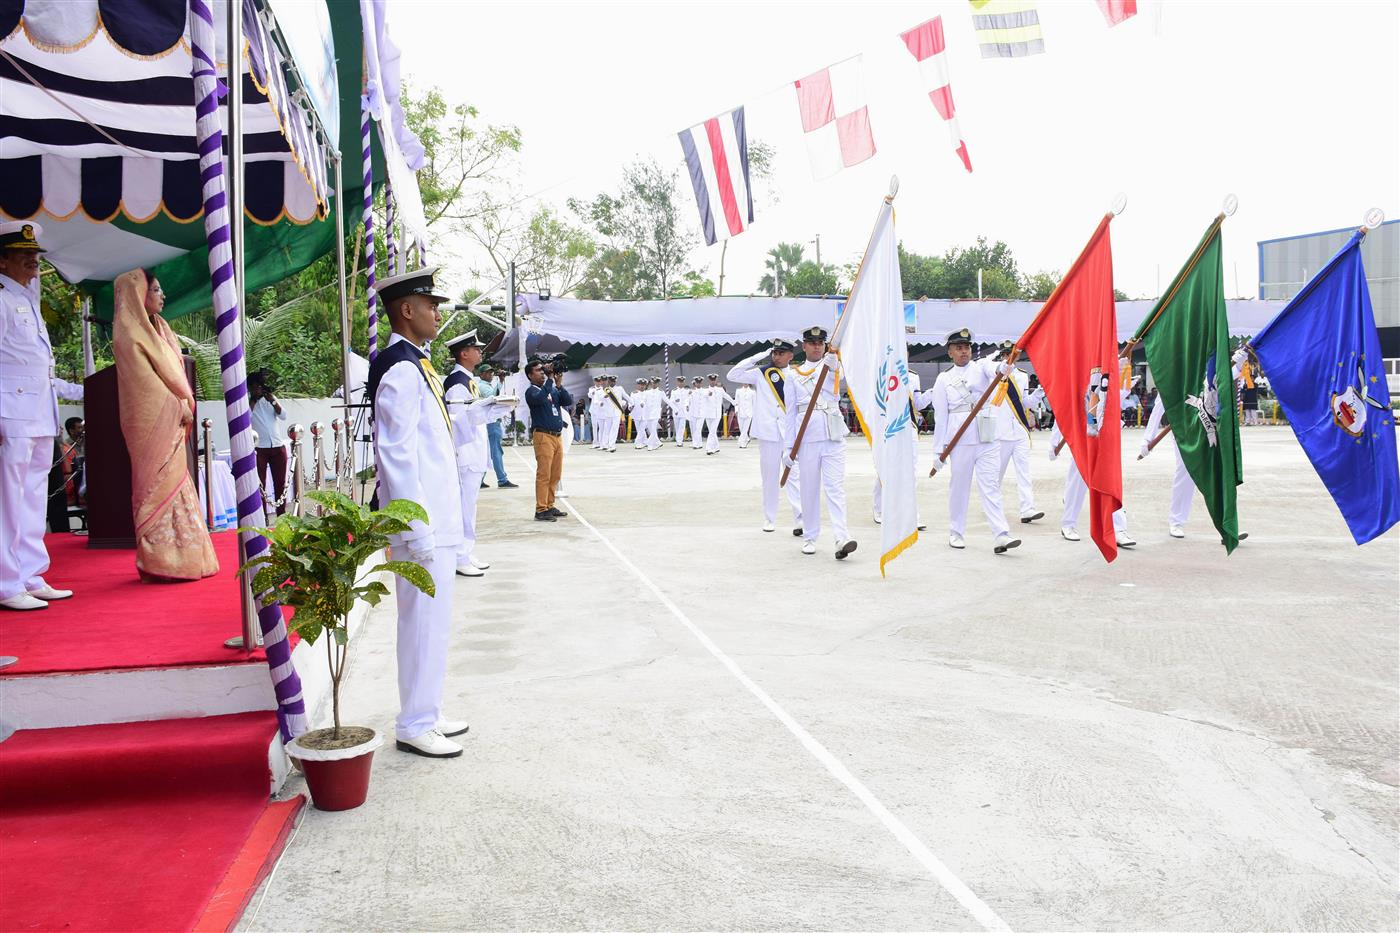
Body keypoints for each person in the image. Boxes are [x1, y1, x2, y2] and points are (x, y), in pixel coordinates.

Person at [365, 267, 468, 759]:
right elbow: (397, 453)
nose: (437, 312)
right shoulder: (401, 367)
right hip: (422, 524)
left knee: (435, 622)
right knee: (421, 622)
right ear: (406, 310)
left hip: (438, 519)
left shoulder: (417, 364)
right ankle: (413, 722)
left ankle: (427, 708)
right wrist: (415, 528)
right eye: (430, 305)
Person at [112, 269, 219, 582]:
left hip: (174, 417)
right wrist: (179, 405)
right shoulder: (129, 332)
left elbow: (174, 373)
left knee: (178, 482)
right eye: (156, 290)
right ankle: (159, 562)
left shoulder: (161, 327)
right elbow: (142, 386)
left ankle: (187, 558)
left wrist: (183, 403)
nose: (163, 296)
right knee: (155, 487)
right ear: (138, 294)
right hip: (152, 421)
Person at [0, 222, 83, 611]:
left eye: (35, 257)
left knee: (32, 498)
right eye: (24, 257)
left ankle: (30, 574)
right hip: (10, 415)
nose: (34, 263)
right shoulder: (1, 300)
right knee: (8, 502)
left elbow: (39, 369)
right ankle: (6, 582)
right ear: (2, 262)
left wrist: (81, 393)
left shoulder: (27, 300)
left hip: (37, 413)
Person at [929, 328, 1020, 554]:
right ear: (949, 352)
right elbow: (941, 417)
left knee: (990, 486)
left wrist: (1003, 368)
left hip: (987, 436)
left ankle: (1001, 534)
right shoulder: (944, 379)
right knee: (959, 488)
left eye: (967, 347)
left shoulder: (981, 368)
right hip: (960, 441)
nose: (964, 352)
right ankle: (956, 531)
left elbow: (995, 369)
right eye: (958, 348)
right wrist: (938, 451)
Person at [443, 331, 517, 578]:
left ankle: (465, 550)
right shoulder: (457, 382)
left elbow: (473, 416)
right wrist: (489, 407)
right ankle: (459, 556)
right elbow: (458, 421)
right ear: (463, 354)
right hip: (464, 453)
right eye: (475, 349)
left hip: (473, 451)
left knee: (470, 506)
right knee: (464, 507)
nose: (480, 352)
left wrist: (495, 407)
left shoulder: (468, 380)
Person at [785, 326, 856, 559]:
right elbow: (790, 413)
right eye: (812, 342)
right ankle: (810, 536)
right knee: (809, 489)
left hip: (832, 436)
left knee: (836, 488)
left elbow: (841, 375)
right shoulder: (793, 375)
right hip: (806, 439)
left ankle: (841, 537)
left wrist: (833, 357)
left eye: (820, 342)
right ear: (804, 346)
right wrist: (788, 446)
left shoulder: (833, 365)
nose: (817, 346)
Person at [728, 339, 803, 534]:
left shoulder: (796, 374)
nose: (776, 356)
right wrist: (759, 356)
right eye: (774, 353)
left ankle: (800, 518)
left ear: (790, 355)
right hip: (768, 433)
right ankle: (769, 518)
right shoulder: (761, 374)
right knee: (769, 478)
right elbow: (733, 374)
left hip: (789, 434)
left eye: (781, 353)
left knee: (794, 477)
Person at [1049, 420, 1134, 546]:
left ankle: (1119, 529)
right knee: (1077, 482)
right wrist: (1054, 443)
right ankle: (1068, 524)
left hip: (1104, 432)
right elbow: (1064, 410)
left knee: (1109, 482)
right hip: (1082, 435)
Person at [987, 343, 1043, 525]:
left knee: (1024, 472)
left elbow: (1024, 403)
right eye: (1004, 354)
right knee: (997, 474)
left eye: (1011, 354)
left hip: (1019, 430)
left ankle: (1027, 508)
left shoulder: (1022, 376)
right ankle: (991, 504)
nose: (1007, 357)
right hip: (999, 432)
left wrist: (1037, 395)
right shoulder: (992, 372)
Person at [525, 357, 572, 520]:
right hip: (543, 436)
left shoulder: (551, 388)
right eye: (538, 370)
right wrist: (550, 381)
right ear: (530, 375)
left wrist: (559, 384)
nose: (543, 373)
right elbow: (539, 398)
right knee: (544, 473)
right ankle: (540, 509)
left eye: (542, 369)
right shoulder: (532, 391)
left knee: (555, 474)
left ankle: (550, 505)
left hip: (557, 436)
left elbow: (567, 401)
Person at [248, 369, 289, 516]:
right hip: (260, 448)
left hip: (277, 446)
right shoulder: (248, 403)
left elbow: (283, 415)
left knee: (280, 483)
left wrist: (272, 400)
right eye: (254, 387)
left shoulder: (270, 399)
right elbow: (246, 419)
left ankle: (282, 515)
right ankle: (262, 515)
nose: (257, 389)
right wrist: (253, 400)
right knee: (261, 484)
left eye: (259, 387)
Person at [477, 364, 517, 488]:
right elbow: (492, 397)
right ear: (481, 375)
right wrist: (500, 381)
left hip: (490, 421)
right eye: (488, 372)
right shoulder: (482, 386)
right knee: (496, 451)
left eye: (491, 372)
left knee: (488, 451)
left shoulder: (485, 385)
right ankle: (502, 479)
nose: (491, 375)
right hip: (492, 421)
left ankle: (480, 480)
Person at [699, 373, 734, 455]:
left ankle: (709, 448)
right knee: (712, 431)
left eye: (714, 380)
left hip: (717, 414)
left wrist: (734, 402)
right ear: (709, 380)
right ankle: (717, 447)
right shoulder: (705, 390)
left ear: (716, 380)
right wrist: (707, 394)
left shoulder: (720, 389)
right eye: (711, 380)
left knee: (712, 431)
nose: (713, 381)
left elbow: (726, 396)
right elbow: (702, 396)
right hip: (708, 414)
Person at [60, 417, 84, 507]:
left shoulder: (88, 441)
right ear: (72, 431)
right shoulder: (66, 447)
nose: (83, 430)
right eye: (80, 427)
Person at [668, 376, 691, 446]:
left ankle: (679, 441)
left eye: (682, 382)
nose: (681, 383)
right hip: (676, 412)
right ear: (677, 382)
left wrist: (688, 407)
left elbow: (689, 399)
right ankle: (678, 440)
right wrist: (675, 401)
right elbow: (670, 401)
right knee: (677, 427)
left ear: (684, 382)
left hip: (684, 412)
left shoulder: (687, 391)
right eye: (680, 382)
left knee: (682, 427)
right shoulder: (674, 391)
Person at [687, 376, 707, 450]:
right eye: (697, 383)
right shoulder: (691, 391)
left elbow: (710, 395)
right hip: (693, 413)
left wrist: (710, 394)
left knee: (698, 428)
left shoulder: (705, 391)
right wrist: (686, 405)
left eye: (700, 383)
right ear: (695, 383)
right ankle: (699, 443)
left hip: (702, 413)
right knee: (695, 429)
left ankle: (696, 444)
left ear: (702, 383)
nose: (698, 384)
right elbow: (687, 399)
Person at [734, 382, 756, 448]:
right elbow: (736, 401)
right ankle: (747, 439)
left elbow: (754, 403)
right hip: (740, 412)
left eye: (746, 382)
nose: (745, 383)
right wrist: (736, 410)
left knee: (745, 429)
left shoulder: (753, 392)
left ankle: (742, 443)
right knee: (741, 429)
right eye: (744, 382)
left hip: (749, 413)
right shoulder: (738, 391)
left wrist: (754, 413)